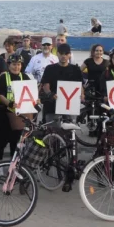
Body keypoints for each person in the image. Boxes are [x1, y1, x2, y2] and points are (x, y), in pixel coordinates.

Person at [40, 43, 84, 190]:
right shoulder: (50, 68)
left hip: (69, 108)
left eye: (66, 53)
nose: (64, 56)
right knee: (52, 138)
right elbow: (45, 85)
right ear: (57, 54)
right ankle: (51, 163)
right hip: (52, 107)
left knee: (70, 140)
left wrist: (82, 95)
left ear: (69, 54)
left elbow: (80, 86)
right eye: (61, 53)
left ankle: (69, 173)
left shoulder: (75, 69)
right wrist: (51, 94)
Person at [0, 53, 33, 162]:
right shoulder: (3, 77)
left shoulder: (25, 77)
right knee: (1, 139)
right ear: (9, 65)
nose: (16, 67)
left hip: (19, 115)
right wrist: (9, 103)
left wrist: (35, 100)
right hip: (4, 113)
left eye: (19, 64)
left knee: (16, 140)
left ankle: (13, 162)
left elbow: (31, 94)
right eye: (14, 64)